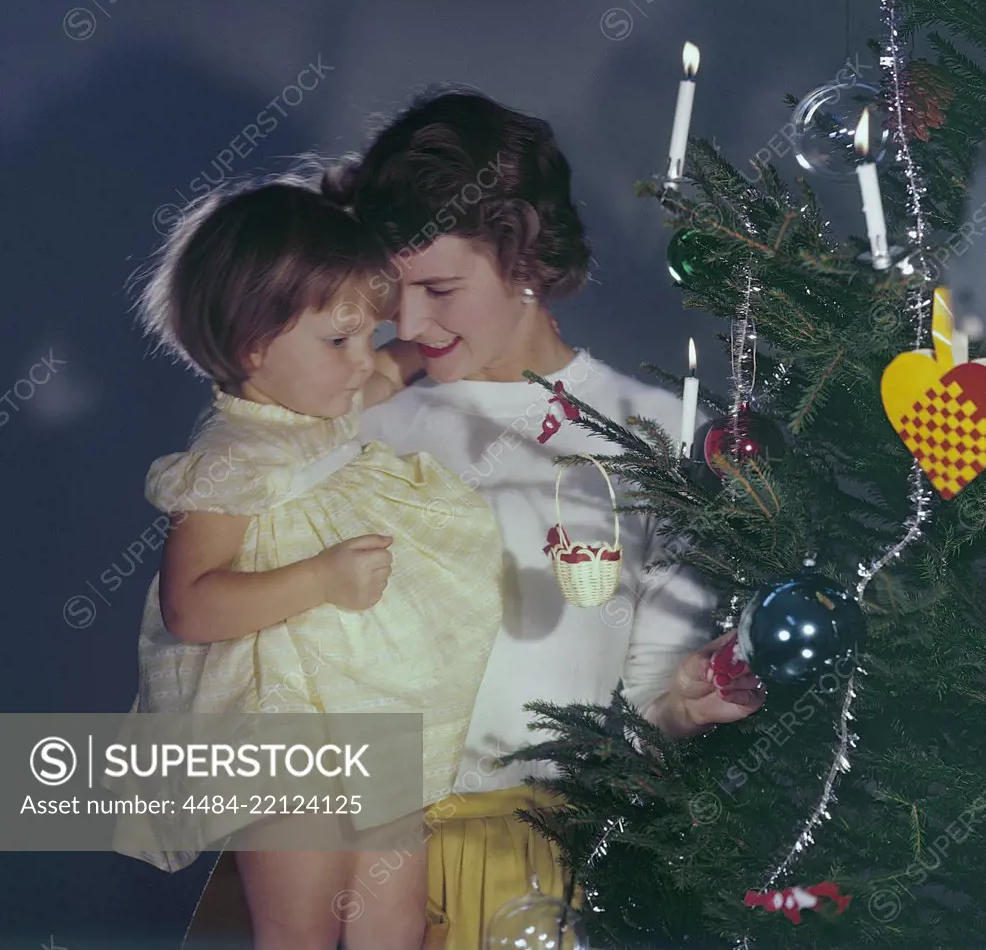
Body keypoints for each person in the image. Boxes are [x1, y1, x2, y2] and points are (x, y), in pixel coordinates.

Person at [178, 91, 764, 950]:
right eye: (390, 293)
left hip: (532, 873)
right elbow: (240, 630)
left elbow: (643, 704)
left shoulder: (657, 435)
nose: (407, 325)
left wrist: (684, 700)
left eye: (440, 288)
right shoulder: (344, 420)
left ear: (525, 258)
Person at [118, 175, 504, 950]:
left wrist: (430, 347)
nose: (361, 362)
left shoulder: (323, 404)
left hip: (370, 709)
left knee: (392, 916)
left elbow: (390, 369)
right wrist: (318, 579)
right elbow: (190, 605)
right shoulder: (230, 460)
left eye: (364, 335)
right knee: (301, 921)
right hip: (279, 730)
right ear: (252, 347)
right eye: (339, 341)